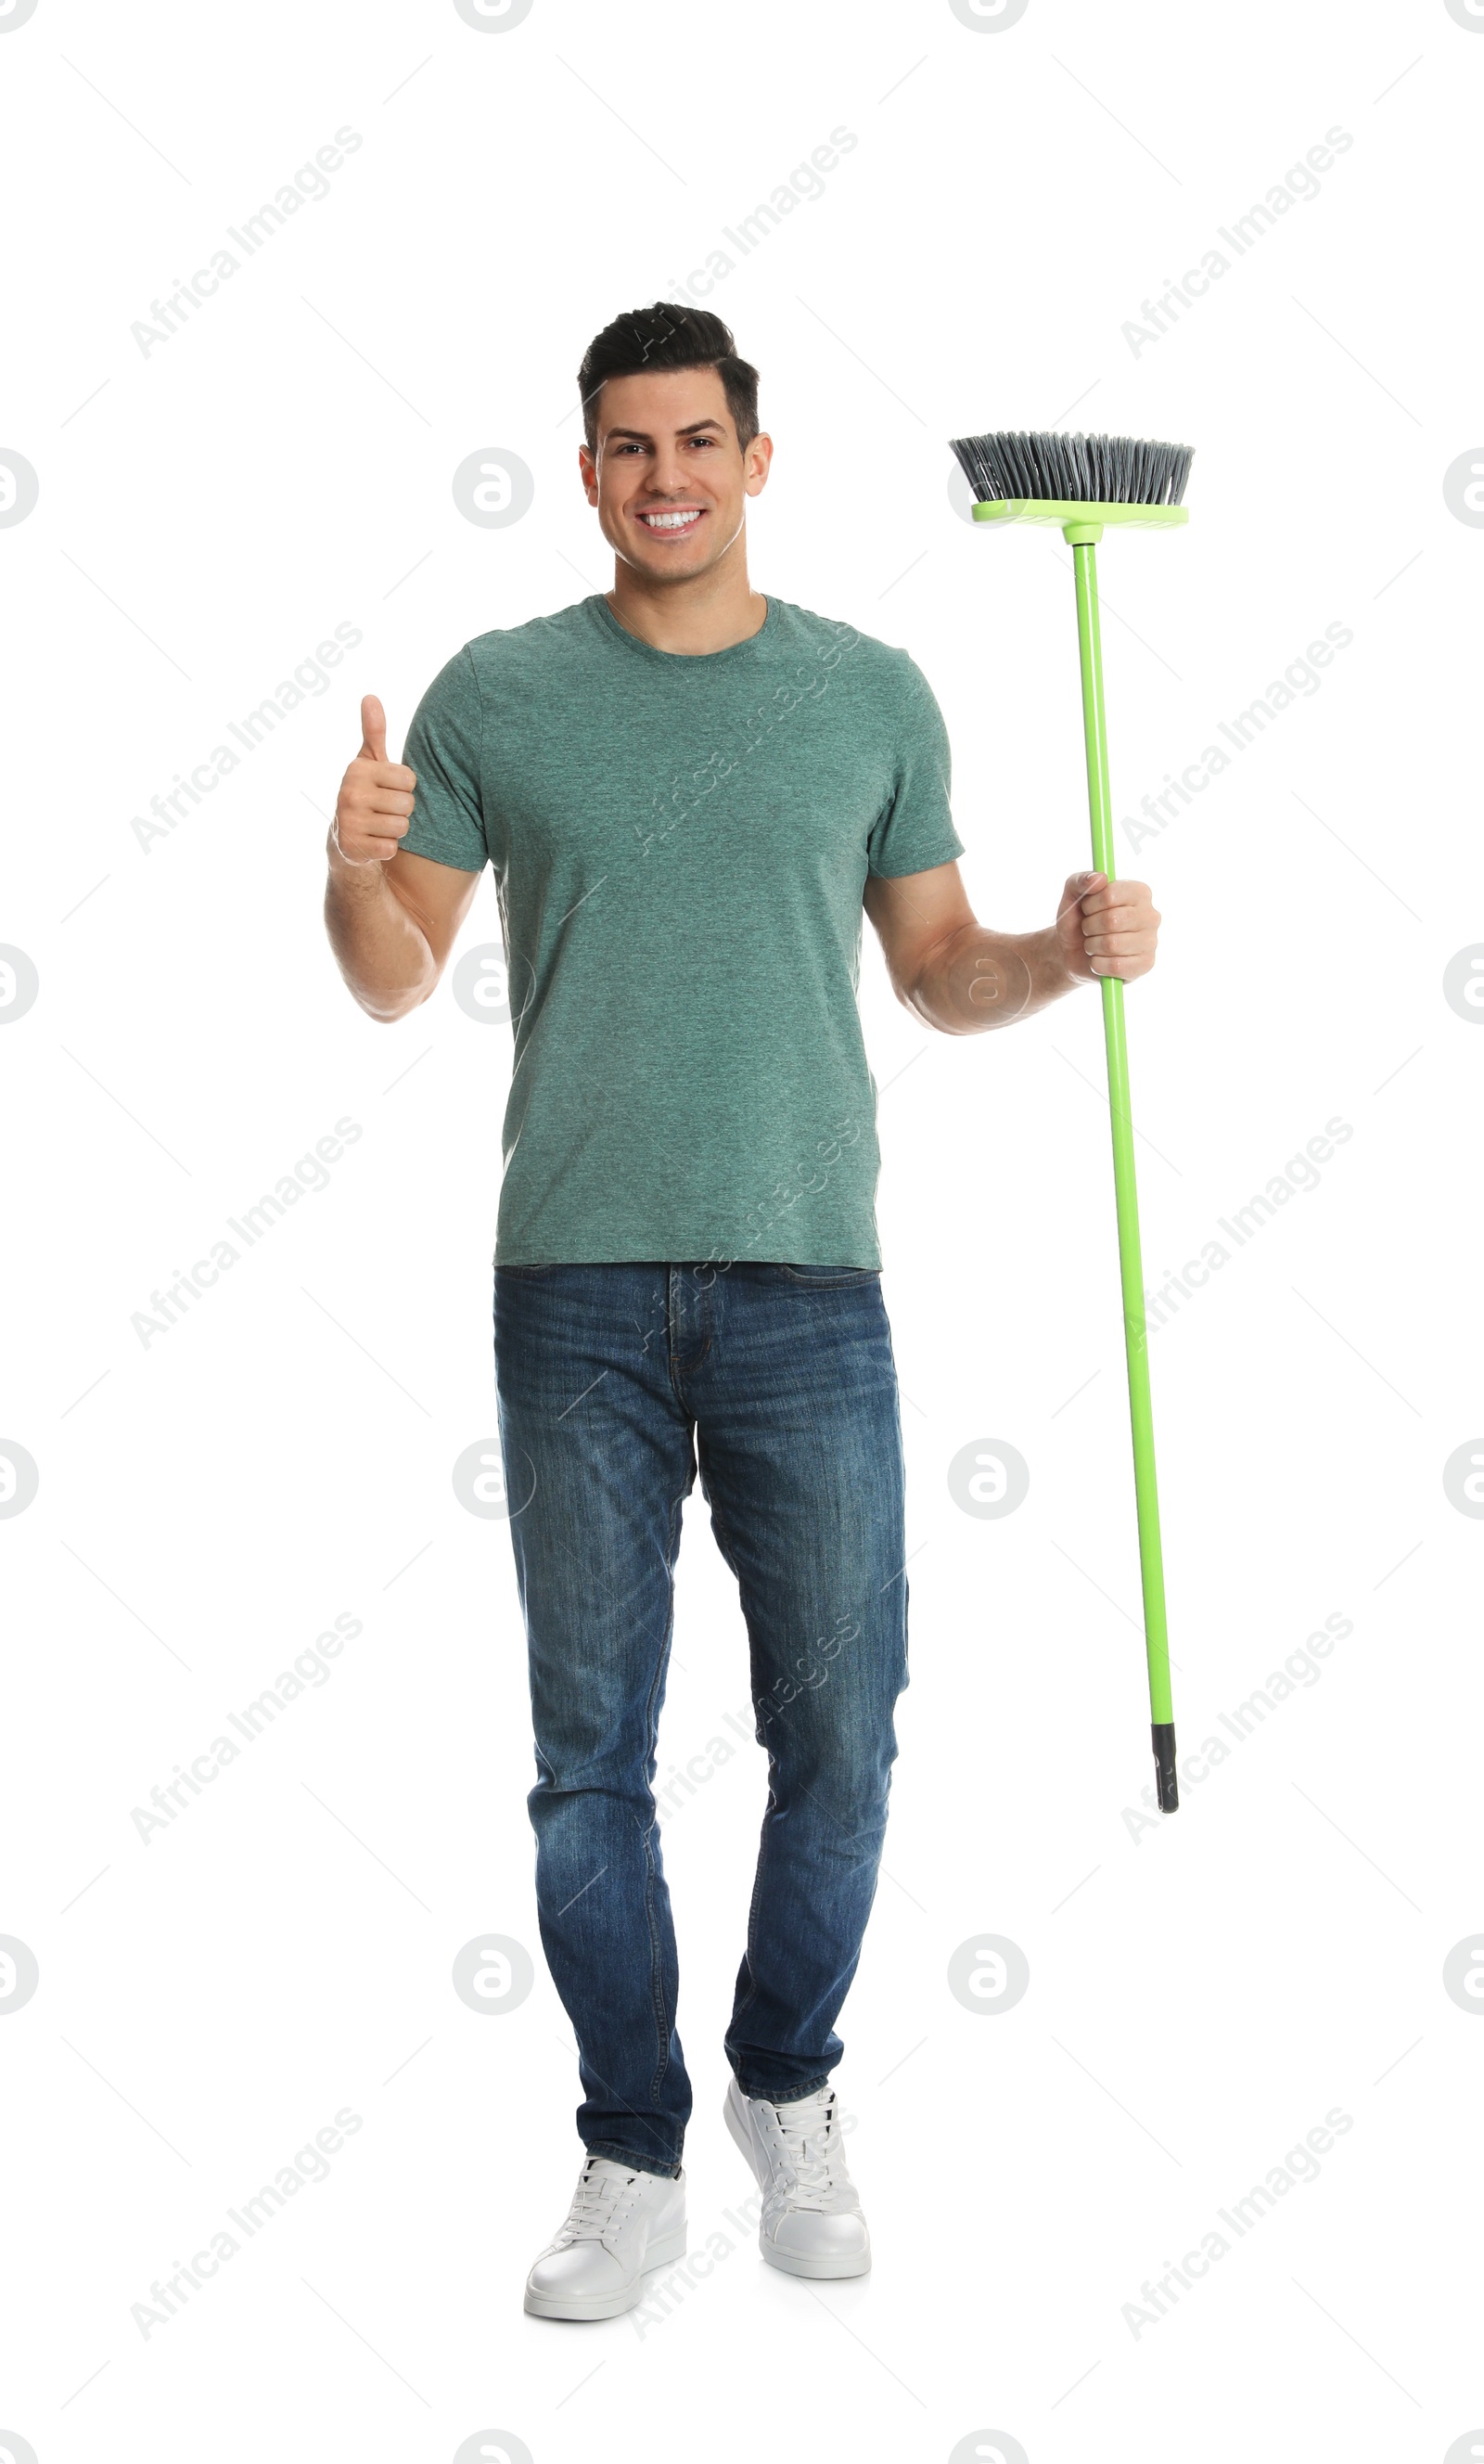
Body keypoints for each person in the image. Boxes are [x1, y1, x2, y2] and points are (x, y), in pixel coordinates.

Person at [322, 302, 1159, 2321]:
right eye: (626, 446)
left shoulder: (866, 695)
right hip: (575, 1290)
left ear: (755, 459)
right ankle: (627, 2144)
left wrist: (1054, 947)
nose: (664, 474)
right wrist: (349, 869)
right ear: (586, 466)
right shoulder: (496, 696)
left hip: (809, 1286)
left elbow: (941, 969)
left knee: (843, 1737)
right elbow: (381, 972)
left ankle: (786, 2081)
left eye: (696, 439)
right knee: (584, 1755)